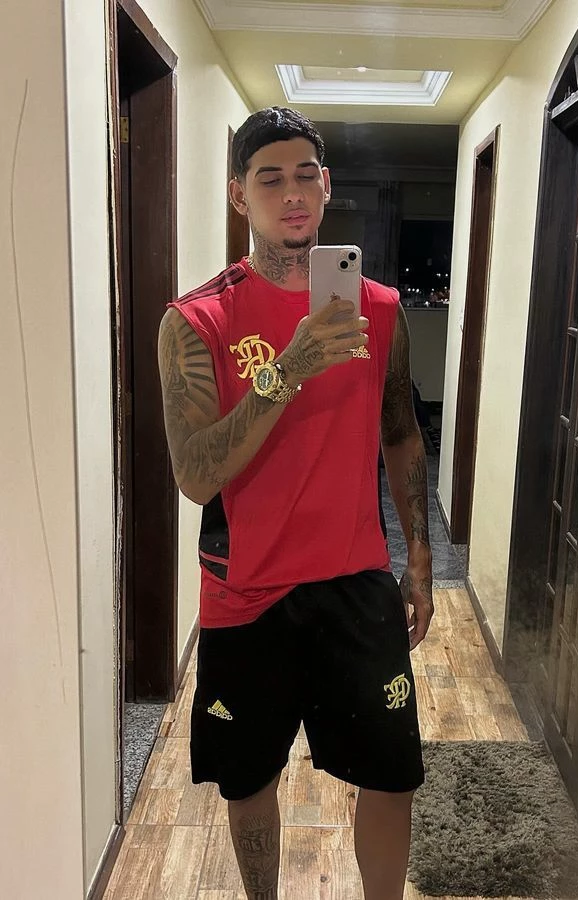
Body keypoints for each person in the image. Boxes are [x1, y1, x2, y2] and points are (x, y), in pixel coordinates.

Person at [157, 106, 434, 900]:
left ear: (327, 186)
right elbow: (195, 475)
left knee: (393, 774)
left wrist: (418, 558)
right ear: (239, 194)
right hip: (248, 590)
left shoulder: (379, 310)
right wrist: (289, 367)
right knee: (249, 780)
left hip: (355, 579)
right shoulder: (196, 320)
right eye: (270, 179)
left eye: (305, 176)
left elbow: (401, 432)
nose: (292, 194)